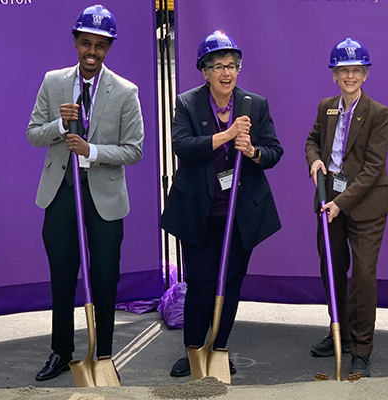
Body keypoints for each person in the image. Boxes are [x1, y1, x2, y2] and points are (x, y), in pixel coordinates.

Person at [27, 5, 144, 381]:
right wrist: (60, 124)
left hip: (104, 201)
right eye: (86, 43)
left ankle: (103, 354)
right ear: (75, 42)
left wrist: (91, 152)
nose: (92, 52)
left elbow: (134, 150)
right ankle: (61, 352)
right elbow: (33, 133)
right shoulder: (53, 81)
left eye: (100, 46)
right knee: (62, 277)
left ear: (108, 48)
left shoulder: (126, 91)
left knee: (106, 277)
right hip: (60, 195)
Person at [160, 31, 283, 377]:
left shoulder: (254, 104)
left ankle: (219, 348)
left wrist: (254, 152)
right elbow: (183, 146)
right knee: (200, 284)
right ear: (204, 71)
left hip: (240, 214)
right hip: (199, 212)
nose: (226, 73)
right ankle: (194, 350)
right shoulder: (187, 103)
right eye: (217, 66)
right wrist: (226, 136)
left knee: (230, 285)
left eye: (232, 66)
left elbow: (274, 151)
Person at [305, 38, 388, 377]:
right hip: (330, 200)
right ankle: (338, 331)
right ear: (334, 75)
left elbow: (373, 168)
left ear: (365, 74)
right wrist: (314, 161)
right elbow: (312, 141)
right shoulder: (327, 107)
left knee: (363, 276)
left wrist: (340, 203)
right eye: (344, 70)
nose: (350, 76)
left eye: (356, 70)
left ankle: (360, 349)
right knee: (332, 269)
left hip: (366, 205)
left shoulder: (379, 114)